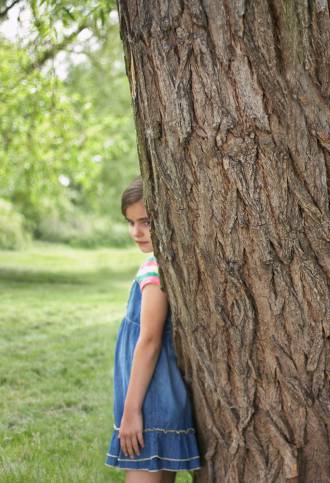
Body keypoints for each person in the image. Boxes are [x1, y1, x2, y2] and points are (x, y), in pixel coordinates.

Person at [106, 177, 200, 482]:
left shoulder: (154, 269)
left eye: (145, 221)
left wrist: (131, 411)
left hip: (148, 405)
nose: (137, 231)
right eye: (131, 222)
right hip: (159, 401)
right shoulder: (163, 263)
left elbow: (149, 340)